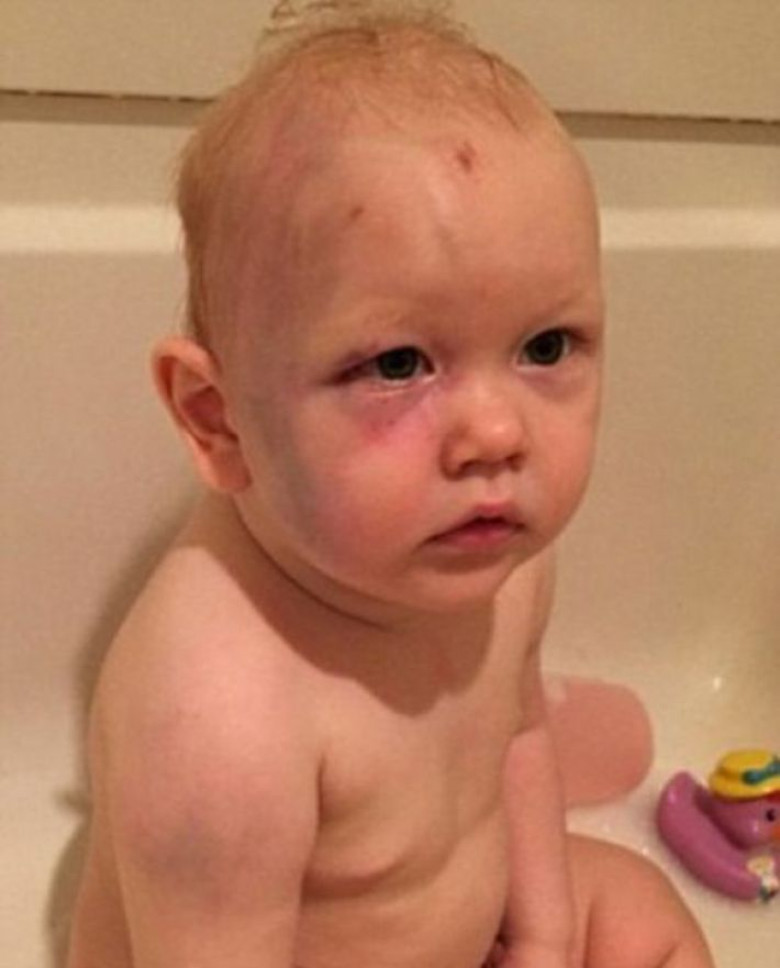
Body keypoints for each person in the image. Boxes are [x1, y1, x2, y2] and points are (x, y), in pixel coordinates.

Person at [66, 3, 713, 966]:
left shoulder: (494, 557)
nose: (497, 435)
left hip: (454, 929)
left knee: (643, 916)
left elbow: (516, 738)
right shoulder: (218, 711)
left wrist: (541, 940)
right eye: (399, 365)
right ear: (217, 418)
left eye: (545, 347)